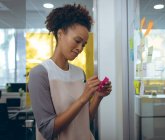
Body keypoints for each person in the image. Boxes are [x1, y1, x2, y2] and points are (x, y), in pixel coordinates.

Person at [28, 4, 112, 140]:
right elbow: (48, 131)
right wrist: (83, 98)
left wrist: (98, 97)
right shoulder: (40, 74)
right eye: (77, 41)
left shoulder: (80, 73)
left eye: (83, 44)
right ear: (60, 34)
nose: (80, 48)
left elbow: (84, 120)